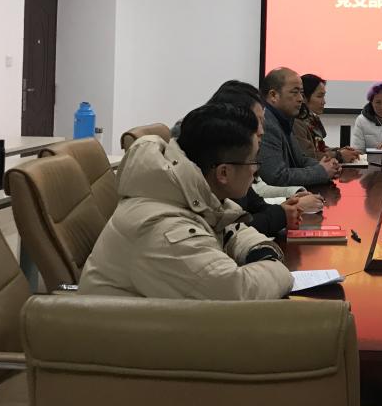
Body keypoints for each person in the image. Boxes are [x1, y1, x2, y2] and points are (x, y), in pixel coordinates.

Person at [79, 103, 293, 300]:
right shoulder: (166, 231)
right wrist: (276, 266)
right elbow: (237, 292)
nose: (256, 169)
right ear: (223, 173)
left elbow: (229, 227)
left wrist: (260, 249)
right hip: (123, 329)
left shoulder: (184, 189)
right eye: (254, 160)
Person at [207, 79, 323, 234]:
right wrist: (288, 209)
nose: (262, 131)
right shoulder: (214, 159)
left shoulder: (282, 125)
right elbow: (232, 228)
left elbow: (256, 200)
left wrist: (290, 202)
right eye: (257, 122)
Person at [259, 67, 341, 187]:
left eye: (301, 93)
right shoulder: (266, 124)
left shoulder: (284, 120)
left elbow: (301, 160)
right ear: (273, 95)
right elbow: (276, 176)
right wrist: (321, 172)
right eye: (295, 92)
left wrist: (328, 166)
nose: (301, 99)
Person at [293, 74, 360, 162]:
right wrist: (339, 155)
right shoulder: (296, 122)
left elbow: (320, 148)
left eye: (323, 96)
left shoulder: (312, 118)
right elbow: (308, 156)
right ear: (304, 97)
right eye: (319, 96)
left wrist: (341, 150)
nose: (324, 102)